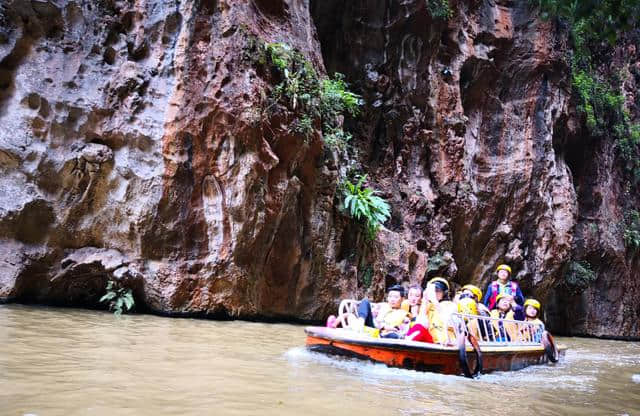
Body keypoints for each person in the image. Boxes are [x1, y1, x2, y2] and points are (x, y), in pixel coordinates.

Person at [414, 277, 457, 345]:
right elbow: (420, 322)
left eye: (437, 290)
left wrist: (434, 300)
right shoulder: (428, 305)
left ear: (444, 293)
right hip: (431, 340)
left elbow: (446, 319)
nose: (434, 293)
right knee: (418, 328)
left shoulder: (450, 305)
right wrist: (425, 299)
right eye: (433, 290)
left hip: (445, 340)